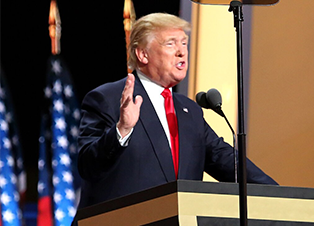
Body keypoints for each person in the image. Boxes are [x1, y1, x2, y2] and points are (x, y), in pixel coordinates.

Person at [73, 12, 277, 221]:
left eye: (184, 43)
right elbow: (88, 166)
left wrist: (278, 195)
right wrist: (122, 130)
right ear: (143, 54)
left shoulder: (190, 111)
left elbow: (223, 159)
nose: (182, 52)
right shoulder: (108, 98)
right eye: (170, 44)